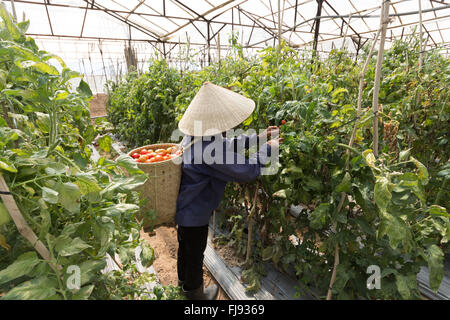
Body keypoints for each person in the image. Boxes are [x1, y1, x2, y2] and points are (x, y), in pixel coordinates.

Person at [175, 82, 282, 300]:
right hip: (195, 213)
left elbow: (226, 143)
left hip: (184, 208)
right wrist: (267, 149)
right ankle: (197, 298)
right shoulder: (209, 150)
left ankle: (183, 285)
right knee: (195, 255)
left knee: (185, 250)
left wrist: (258, 137)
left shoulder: (195, 136)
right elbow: (247, 171)